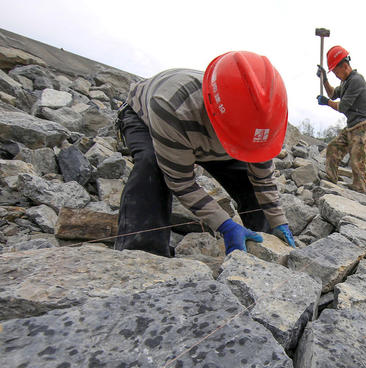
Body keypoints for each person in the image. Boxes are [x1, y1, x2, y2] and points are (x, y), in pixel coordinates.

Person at [114, 51, 295, 257]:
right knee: (152, 166)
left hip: (221, 128)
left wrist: (279, 221)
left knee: (249, 181)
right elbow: (181, 182)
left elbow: (262, 177)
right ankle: (143, 258)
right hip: (147, 118)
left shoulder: (259, 118)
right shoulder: (172, 106)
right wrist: (225, 225)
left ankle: (262, 248)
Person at [316, 45, 366, 194]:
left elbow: (342, 107)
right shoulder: (346, 82)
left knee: (357, 160)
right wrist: (324, 80)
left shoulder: (356, 81)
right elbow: (333, 94)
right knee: (333, 148)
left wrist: (326, 102)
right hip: (352, 126)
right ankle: (331, 178)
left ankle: (360, 188)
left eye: (335, 71)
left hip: (363, 127)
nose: (335, 74)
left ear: (345, 66)